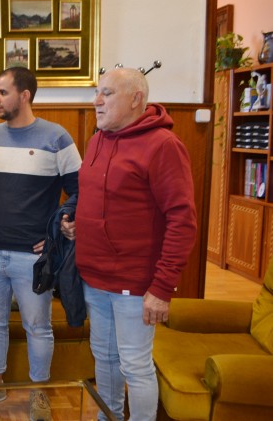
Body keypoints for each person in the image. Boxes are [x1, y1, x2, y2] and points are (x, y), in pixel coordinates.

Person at [65, 68, 197, 421]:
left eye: (106, 93)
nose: (97, 101)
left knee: (135, 366)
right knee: (103, 358)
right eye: (97, 92)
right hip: (94, 278)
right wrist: (79, 225)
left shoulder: (164, 146)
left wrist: (162, 286)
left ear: (136, 99)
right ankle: (107, 416)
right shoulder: (97, 140)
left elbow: (182, 220)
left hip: (135, 285)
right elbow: (103, 201)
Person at [0, 67, 82, 420]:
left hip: (34, 257)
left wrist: (57, 229)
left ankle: (38, 393)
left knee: (38, 326)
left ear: (24, 95)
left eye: (1, 92)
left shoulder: (56, 137)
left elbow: (79, 191)